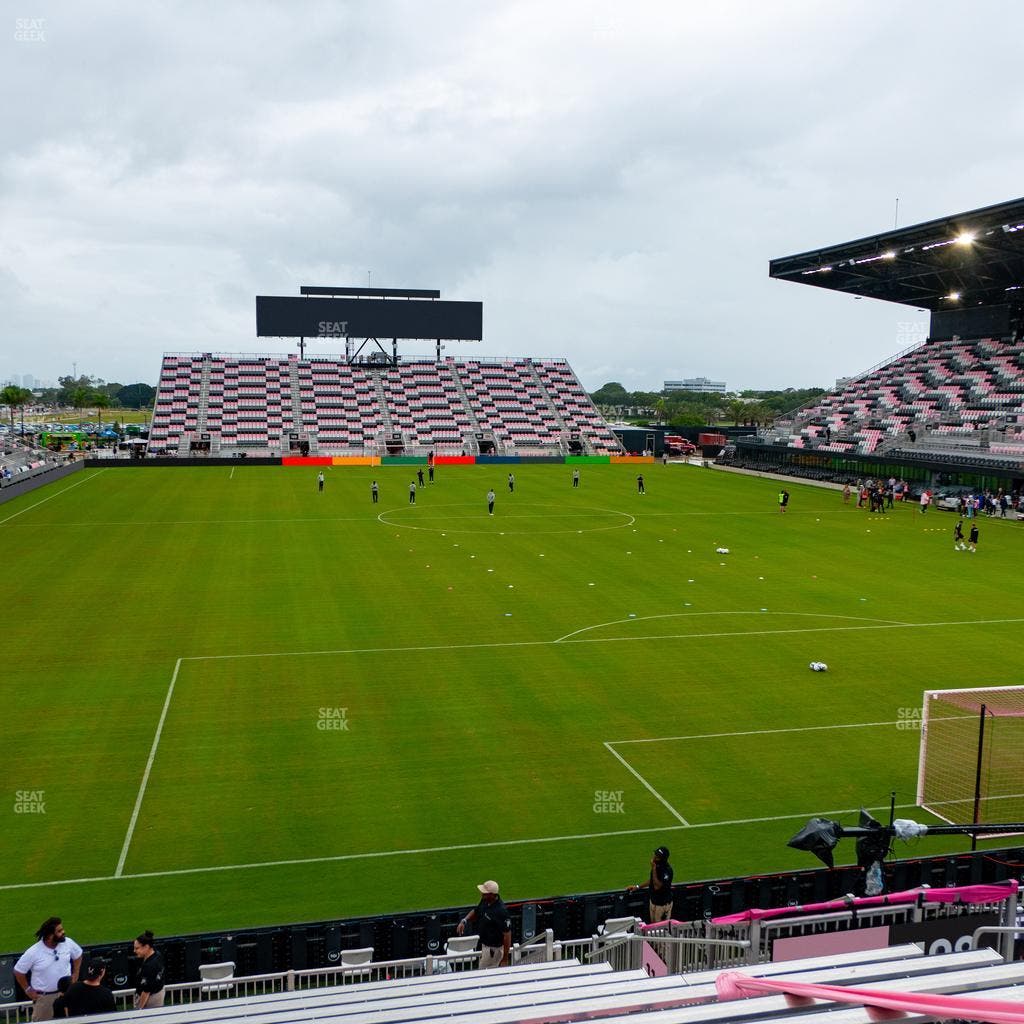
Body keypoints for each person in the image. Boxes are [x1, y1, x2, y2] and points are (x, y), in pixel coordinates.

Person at [14, 917, 83, 1021]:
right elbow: (18, 971)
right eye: (59, 931)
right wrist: (27, 989)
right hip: (45, 999)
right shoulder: (34, 952)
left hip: (66, 994)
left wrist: (76, 973)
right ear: (50, 935)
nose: (63, 932)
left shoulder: (68, 943)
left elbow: (78, 955)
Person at [455, 880, 511, 968]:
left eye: (485, 893)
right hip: (486, 947)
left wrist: (505, 959)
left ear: (492, 895)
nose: (482, 894)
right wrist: (464, 921)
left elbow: (507, 935)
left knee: (483, 975)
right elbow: (476, 911)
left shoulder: (501, 911)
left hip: (493, 951)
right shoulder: (485, 900)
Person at [627, 846, 674, 923]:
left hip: (662, 905)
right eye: (655, 854)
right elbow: (652, 880)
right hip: (654, 902)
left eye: (657, 856)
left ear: (662, 858)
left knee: (659, 928)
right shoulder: (658, 866)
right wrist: (637, 887)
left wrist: (654, 868)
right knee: (654, 925)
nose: (654, 857)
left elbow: (657, 886)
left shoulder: (666, 870)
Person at [133, 931, 165, 1009]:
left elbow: (146, 992)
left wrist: (140, 1009)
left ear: (146, 947)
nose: (134, 951)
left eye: (137, 948)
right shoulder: (157, 954)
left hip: (150, 1000)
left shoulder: (149, 966)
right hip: (158, 993)